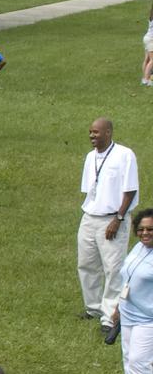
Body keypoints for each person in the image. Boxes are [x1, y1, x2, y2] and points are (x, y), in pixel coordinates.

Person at [77, 117, 139, 334]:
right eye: (90, 132)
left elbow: (130, 190)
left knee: (113, 268)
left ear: (109, 132)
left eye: (96, 132)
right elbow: (90, 189)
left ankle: (109, 315)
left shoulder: (124, 155)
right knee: (86, 263)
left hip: (113, 218)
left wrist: (119, 219)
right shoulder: (90, 157)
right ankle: (92, 307)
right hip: (90, 216)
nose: (92, 136)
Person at [112, 209, 153, 374]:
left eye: (150, 229)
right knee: (129, 358)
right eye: (141, 229)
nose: (145, 233)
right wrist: (118, 305)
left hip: (148, 319)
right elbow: (127, 278)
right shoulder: (139, 247)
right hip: (128, 313)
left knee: (139, 362)